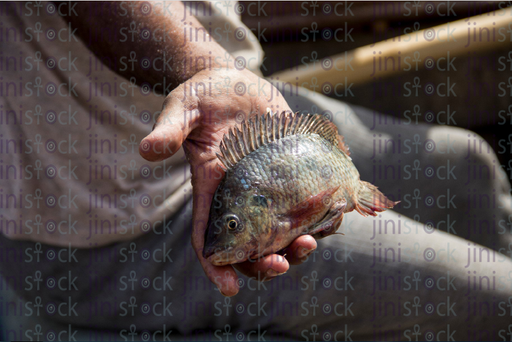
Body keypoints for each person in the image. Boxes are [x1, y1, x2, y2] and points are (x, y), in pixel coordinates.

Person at [1, 1, 511, 340]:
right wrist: (209, 71)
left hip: (244, 101)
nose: (229, 238)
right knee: (499, 301)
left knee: (466, 164)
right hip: (111, 220)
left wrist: (230, 77)